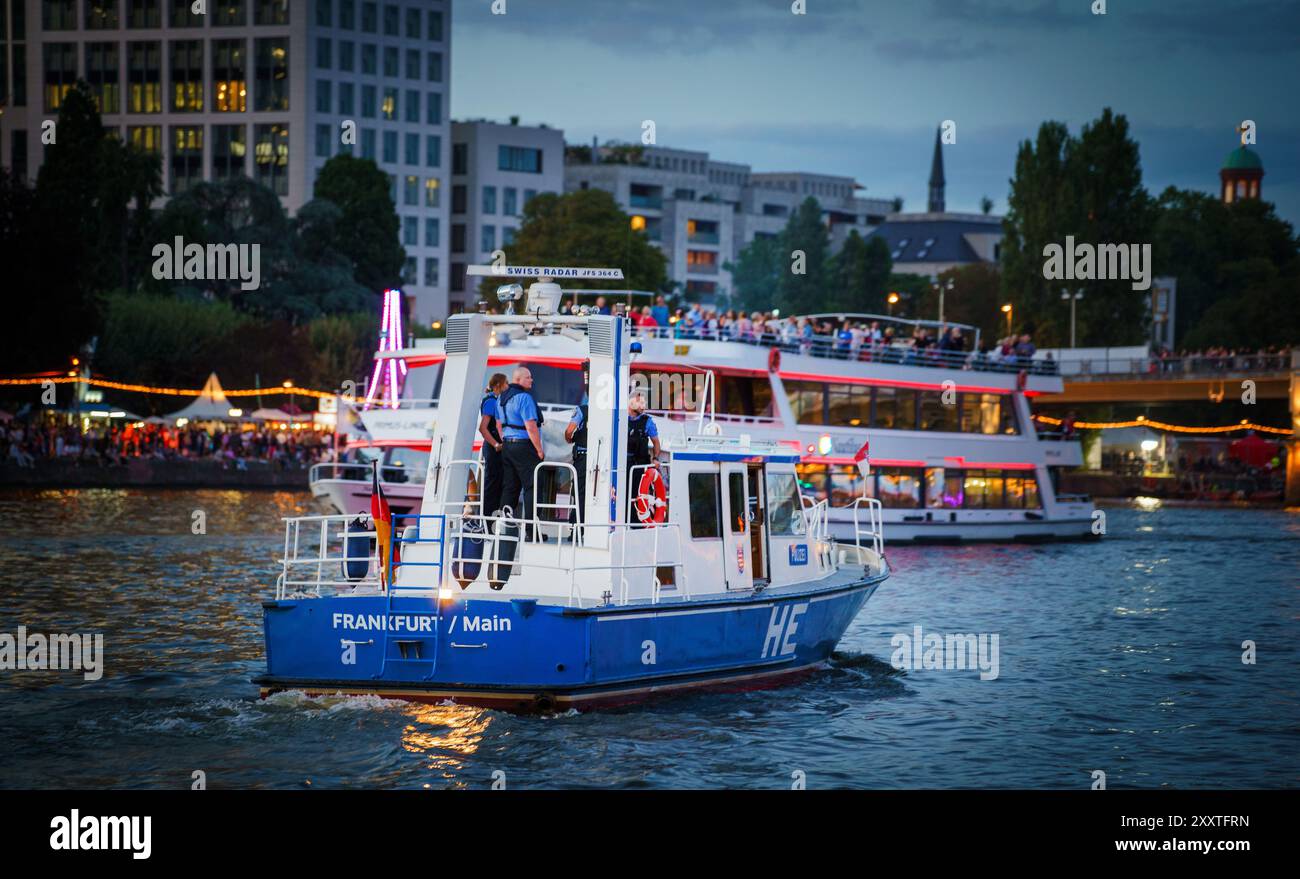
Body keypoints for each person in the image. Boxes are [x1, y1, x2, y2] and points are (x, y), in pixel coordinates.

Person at [496, 366, 545, 538]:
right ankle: (531, 531)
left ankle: (504, 528)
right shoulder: (524, 398)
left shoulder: (501, 398)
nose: (532, 380)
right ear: (518, 380)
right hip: (524, 445)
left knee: (510, 487)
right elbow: (531, 426)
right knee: (532, 486)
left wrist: (505, 441)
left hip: (507, 446)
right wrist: (539, 449)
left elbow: (498, 424)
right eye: (528, 377)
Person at [625, 392, 661, 523]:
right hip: (623, 466)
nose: (643, 406)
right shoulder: (620, 418)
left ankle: (637, 524)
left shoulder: (648, 421)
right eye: (640, 402)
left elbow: (656, 442)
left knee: (638, 497)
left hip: (640, 467)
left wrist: (655, 458)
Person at [477, 373, 508, 516]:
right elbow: (483, 428)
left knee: (499, 483)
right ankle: (486, 518)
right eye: (505, 383)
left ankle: (492, 517)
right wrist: (496, 444)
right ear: (498, 386)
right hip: (493, 447)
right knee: (492, 484)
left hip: (497, 447)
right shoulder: (490, 401)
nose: (508, 386)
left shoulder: (497, 400)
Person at [565, 392, 589, 525]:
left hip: (583, 457)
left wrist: (569, 439)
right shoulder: (611, 412)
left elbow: (569, 431)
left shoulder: (582, 410)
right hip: (602, 459)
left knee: (579, 492)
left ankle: (577, 527)